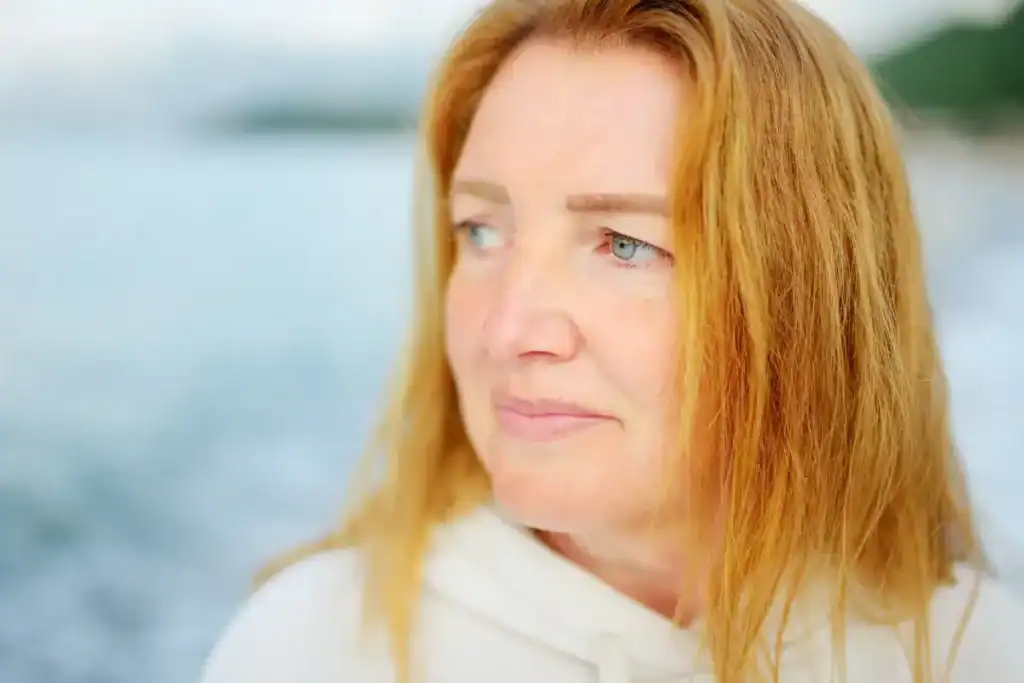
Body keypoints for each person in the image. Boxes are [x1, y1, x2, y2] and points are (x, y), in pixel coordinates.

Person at [197, 1, 1024, 681]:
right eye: (480, 231)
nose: (508, 329)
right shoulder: (308, 649)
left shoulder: (969, 651)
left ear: (807, 294)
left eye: (625, 244)